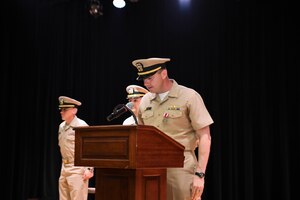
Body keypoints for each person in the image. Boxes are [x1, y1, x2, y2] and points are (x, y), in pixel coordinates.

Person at [131, 58, 214, 200]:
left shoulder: (189, 96)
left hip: (181, 168)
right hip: (151, 168)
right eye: (143, 79)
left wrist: (200, 175)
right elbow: (143, 137)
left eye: (150, 78)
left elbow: (205, 136)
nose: (146, 83)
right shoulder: (145, 101)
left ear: (164, 74)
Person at [57, 96, 94, 200]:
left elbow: (90, 149)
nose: (61, 112)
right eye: (61, 109)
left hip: (77, 168)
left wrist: (89, 169)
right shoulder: (61, 126)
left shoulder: (81, 126)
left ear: (74, 110)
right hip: (64, 167)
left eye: (65, 109)